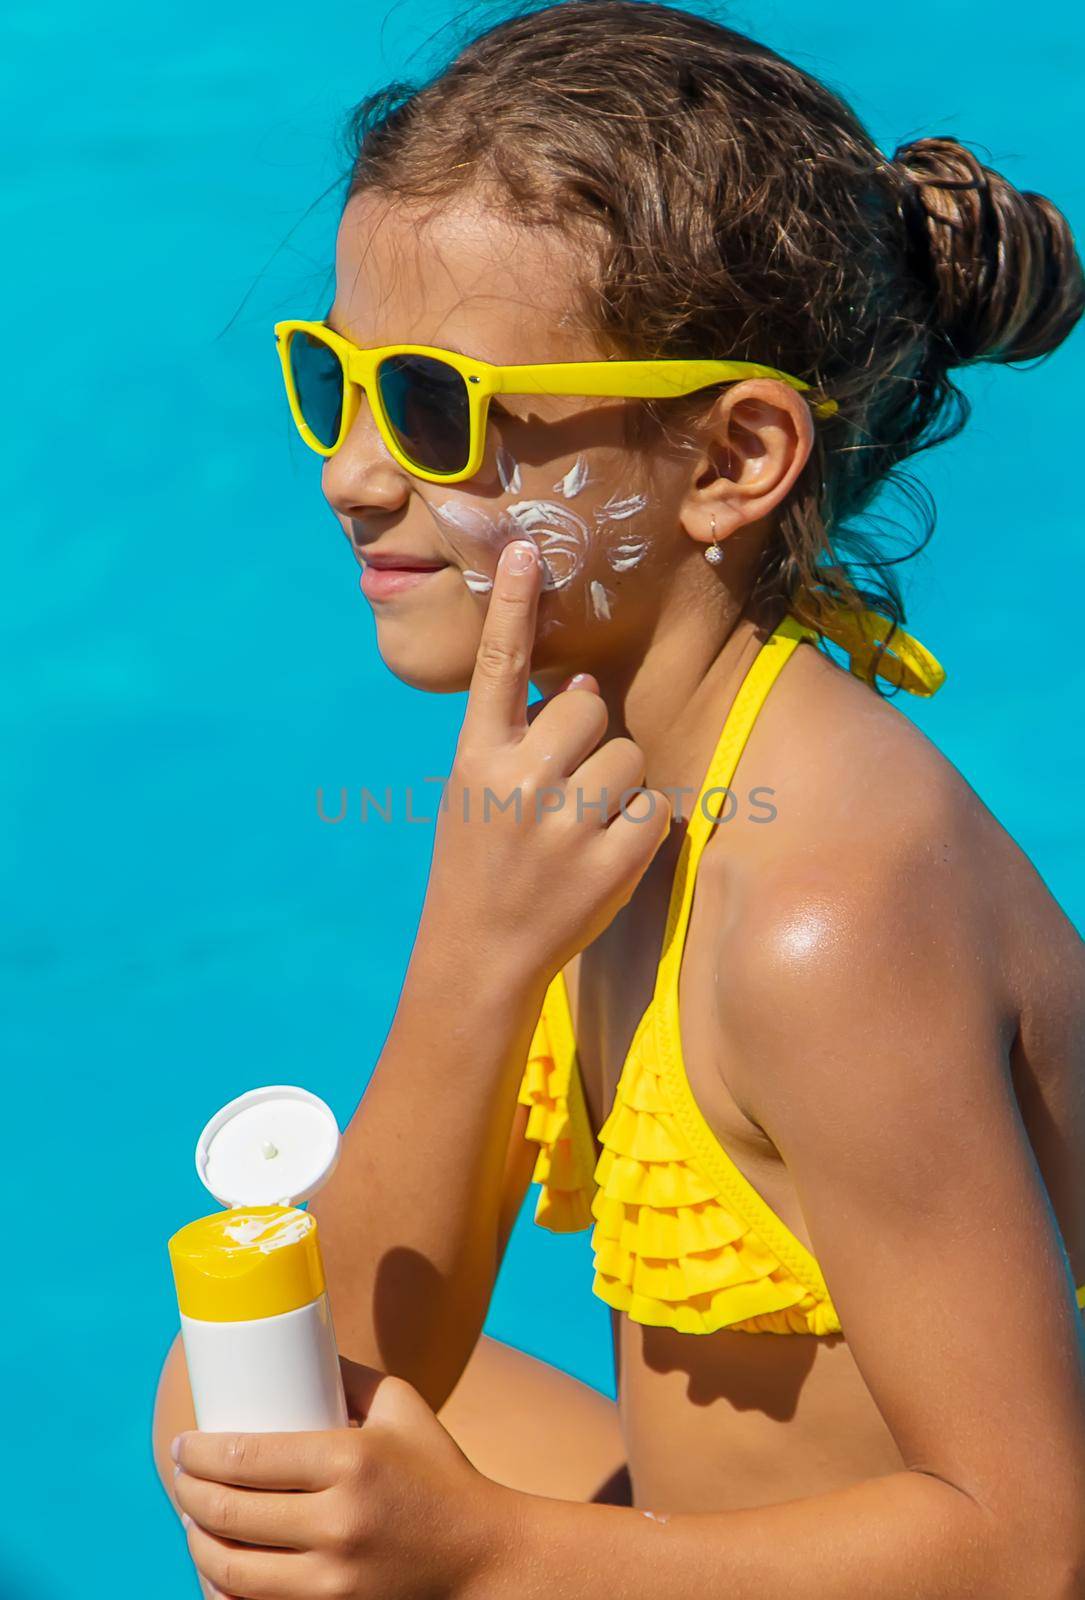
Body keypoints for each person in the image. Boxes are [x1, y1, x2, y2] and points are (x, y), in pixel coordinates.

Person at [153, 3, 1085, 1594]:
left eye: (435, 407)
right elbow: (348, 1371)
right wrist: (471, 958)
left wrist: (493, 1556)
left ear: (730, 458)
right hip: (706, 1546)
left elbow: (1024, 1548)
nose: (351, 472)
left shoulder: (822, 913)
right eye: (335, 380)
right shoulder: (585, 791)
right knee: (232, 1417)